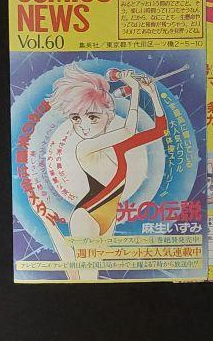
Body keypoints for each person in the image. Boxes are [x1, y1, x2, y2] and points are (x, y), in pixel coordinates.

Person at [34, 63, 168, 281]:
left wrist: (152, 94)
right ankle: (49, 224)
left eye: (93, 117)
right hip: (87, 216)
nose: (83, 125)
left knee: (79, 277)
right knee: (88, 278)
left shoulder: (120, 147)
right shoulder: (83, 147)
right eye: (76, 118)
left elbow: (160, 130)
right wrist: (135, 90)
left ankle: (50, 224)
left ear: (109, 115)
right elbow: (128, 129)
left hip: (107, 218)